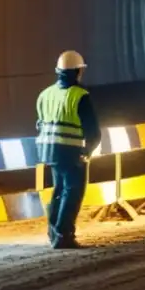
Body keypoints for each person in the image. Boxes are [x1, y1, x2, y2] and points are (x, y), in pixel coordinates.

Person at [36, 50, 102, 249]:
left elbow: (39, 123)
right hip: (72, 151)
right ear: (77, 72)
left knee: (59, 190)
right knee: (72, 192)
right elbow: (92, 129)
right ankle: (64, 235)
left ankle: (54, 231)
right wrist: (88, 150)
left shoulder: (45, 94)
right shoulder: (80, 96)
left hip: (49, 151)